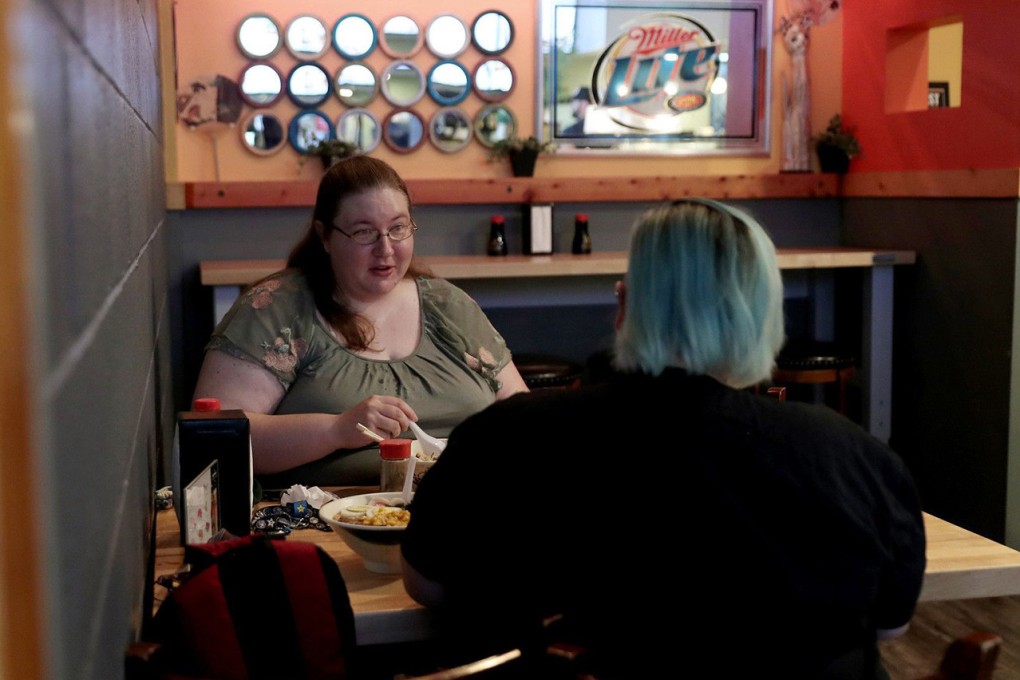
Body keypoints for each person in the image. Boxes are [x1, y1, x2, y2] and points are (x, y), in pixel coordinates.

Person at [401, 198, 926, 679]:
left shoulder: (507, 437)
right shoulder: (859, 458)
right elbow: (889, 625)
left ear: (626, 305)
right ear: (766, 313)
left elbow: (426, 583)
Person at [192, 155, 529, 488]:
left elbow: (525, 417)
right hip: (330, 514)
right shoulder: (275, 309)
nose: (386, 249)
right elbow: (215, 441)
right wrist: (336, 430)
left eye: (398, 228)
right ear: (325, 236)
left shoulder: (448, 305)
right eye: (364, 232)